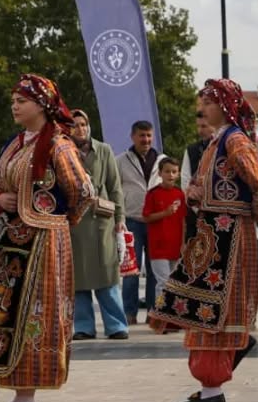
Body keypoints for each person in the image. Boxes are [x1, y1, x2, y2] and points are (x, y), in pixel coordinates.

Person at [0, 74, 94, 402]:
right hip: (10, 239)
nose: (14, 106)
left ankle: (24, 395)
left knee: (33, 314)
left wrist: (56, 220)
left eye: (22, 101)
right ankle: (16, 389)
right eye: (13, 100)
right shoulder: (14, 144)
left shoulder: (59, 145)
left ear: (42, 105)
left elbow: (82, 191)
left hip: (43, 241)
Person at [151, 79, 258, 402]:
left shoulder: (234, 140)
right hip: (214, 234)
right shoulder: (217, 141)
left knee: (216, 309)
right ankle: (214, 379)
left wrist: (247, 216)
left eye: (207, 101)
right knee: (203, 306)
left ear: (223, 106)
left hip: (228, 236)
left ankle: (212, 386)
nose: (201, 108)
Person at [68, 110, 128, 342]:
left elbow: (115, 187)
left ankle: (116, 325)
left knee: (107, 273)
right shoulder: (63, 151)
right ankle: (83, 326)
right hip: (73, 221)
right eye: (74, 125)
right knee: (78, 278)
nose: (79, 129)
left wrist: (120, 220)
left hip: (101, 219)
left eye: (83, 124)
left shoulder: (103, 149)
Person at [118, 120, 164, 320]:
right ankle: (129, 312)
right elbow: (115, 189)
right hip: (132, 219)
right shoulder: (120, 160)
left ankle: (154, 311)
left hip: (157, 221)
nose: (145, 140)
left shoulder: (162, 160)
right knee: (131, 270)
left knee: (156, 269)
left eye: (148, 135)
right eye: (141, 135)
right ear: (132, 136)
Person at [139, 157, 185, 292]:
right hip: (158, 247)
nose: (170, 175)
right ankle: (160, 312)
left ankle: (170, 311)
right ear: (160, 174)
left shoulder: (180, 194)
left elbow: (183, 220)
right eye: (167, 171)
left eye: (174, 172)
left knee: (174, 283)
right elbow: (146, 217)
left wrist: (183, 243)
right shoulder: (153, 194)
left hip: (175, 246)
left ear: (178, 174)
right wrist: (165, 213)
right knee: (163, 283)